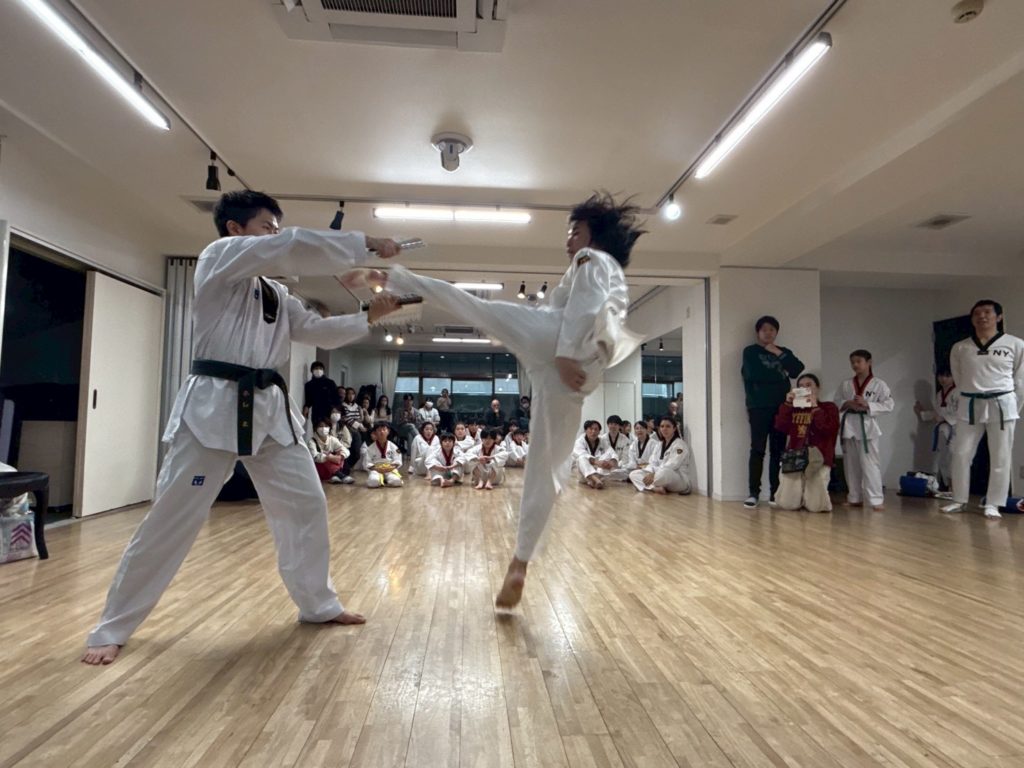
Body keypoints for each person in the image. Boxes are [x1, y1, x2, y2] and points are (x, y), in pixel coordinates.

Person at [81, 190, 401, 665]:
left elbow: (315, 330)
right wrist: (363, 243)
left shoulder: (277, 293)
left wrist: (366, 317)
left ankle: (317, 604)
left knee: (306, 505)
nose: (274, 235)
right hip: (213, 407)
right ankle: (112, 626)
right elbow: (287, 247)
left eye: (276, 228)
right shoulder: (219, 258)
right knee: (172, 517)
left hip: (270, 412)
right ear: (235, 229)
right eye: (266, 226)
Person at [379, 192, 644, 608]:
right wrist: (570, 356)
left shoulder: (592, 259)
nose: (569, 240)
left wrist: (563, 353)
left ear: (595, 236)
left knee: (476, 309)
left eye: (576, 231)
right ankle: (519, 563)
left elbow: (584, 305)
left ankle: (397, 278)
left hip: (557, 347)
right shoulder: (613, 277)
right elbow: (594, 314)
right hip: (578, 376)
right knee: (546, 468)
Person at [943, 300, 1024, 519]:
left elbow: (1020, 380)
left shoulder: (1016, 344)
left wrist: (1012, 406)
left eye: (987, 312)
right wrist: (970, 393)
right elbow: (959, 378)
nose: (982, 316)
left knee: (1001, 456)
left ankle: (994, 503)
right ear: (972, 319)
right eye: (977, 313)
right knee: (961, 453)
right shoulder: (961, 347)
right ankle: (959, 499)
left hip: (1002, 403)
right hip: (970, 403)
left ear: (999, 317)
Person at [741, 315, 804, 508]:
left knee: (778, 450)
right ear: (758, 332)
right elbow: (752, 374)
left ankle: (775, 493)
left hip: (782, 408)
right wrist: (780, 376)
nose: (768, 333)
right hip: (758, 407)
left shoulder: (783, 352)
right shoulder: (750, 352)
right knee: (757, 449)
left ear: (776, 332)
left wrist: (777, 352)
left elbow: (797, 369)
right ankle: (753, 493)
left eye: (772, 330)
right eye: (764, 330)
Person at [836, 349, 894, 511]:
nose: (855, 365)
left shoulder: (879, 384)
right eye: (852, 362)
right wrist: (847, 403)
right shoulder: (846, 384)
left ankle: (876, 499)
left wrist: (868, 404)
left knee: (870, 464)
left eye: (858, 361)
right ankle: (854, 497)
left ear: (869, 362)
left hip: (867, 426)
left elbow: (889, 405)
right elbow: (836, 401)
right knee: (851, 464)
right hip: (849, 425)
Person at [773, 374, 840, 512]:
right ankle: (800, 496)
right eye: (801, 386)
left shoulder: (829, 407)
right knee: (787, 504)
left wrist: (815, 406)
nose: (804, 389)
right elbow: (780, 426)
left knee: (816, 507)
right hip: (795, 457)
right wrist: (787, 404)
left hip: (818, 458)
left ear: (818, 388)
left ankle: (807, 497)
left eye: (808, 385)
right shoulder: (793, 408)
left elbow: (829, 429)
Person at [914, 367, 959, 490]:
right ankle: (948, 486)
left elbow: (962, 413)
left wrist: (944, 418)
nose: (943, 379)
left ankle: (955, 488)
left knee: (953, 457)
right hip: (942, 430)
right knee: (943, 458)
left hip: (956, 430)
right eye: (941, 376)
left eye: (947, 376)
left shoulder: (959, 392)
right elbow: (936, 414)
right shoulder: (939, 395)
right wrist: (922, 413)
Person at [629, 416, 691, 494]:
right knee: (633, 474)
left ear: (674, 428)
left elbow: (672, 465)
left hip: (678, 479)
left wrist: (654, 474)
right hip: (658, 476)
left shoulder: (680, 444)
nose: (664, 429)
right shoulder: (659, 445)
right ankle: (654, 488)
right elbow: (652, 463)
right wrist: (650, 472)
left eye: (668, 426)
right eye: (662, 426)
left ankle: (647, 486)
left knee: (665, 473)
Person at [572, 419, 615, 489]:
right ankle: (595, 479)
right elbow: (579, 453)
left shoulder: (602, 441)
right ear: (586, 430)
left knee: (607, 455)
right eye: (591, 429)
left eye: (596, 429)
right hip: (584, 474)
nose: (593, 431)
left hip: (599, 472)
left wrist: (611, 462)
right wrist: (596, 462)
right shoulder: (579, 441)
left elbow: (611, 452)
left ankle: (592, 481)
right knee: (581, 458)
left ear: (599, 432)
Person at [308, 420, 353, 484]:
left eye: (326, 426)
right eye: (320, 426)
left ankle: (334, 475)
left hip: (333, 467)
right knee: (325, 455)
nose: (323, 428)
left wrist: (340, 456)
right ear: (315, 428)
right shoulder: (312, 442)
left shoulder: (332, 439)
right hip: (320, 469)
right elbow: (315, 457)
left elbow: (345, 450)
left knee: (340, 452)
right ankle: (340, 475)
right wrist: (329, 457)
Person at [364, 421, 404, 488]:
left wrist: (391, 467)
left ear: (388, 431)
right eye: (379, 430)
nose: (382, 432)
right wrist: (376, 468)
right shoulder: (370, 448)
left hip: (390, 469)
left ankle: (386, 479)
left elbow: (398, 459)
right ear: (375, 432)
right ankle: (379, 479)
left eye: (384, 429)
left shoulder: (393, 446)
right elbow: (367, 462)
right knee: (373, 482)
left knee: (397, 482)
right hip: (376, 470)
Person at [303, 361, 340, 426]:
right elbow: (308, 400)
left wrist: (335, 408)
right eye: (316, 368)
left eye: (320, 368)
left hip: (329, 412)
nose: (318, 370)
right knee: (318, 430)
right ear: (312, 371)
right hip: (316, 413)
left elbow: (336, 398)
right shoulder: (309, 385)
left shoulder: (330, 383)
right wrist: (306, 407)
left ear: (323, 371)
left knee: (329, 431)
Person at [602, 415, 631, 481]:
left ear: (619, 426)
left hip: (619, 467)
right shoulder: (602, 439)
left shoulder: (625, 440)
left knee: (626, 471)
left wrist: (616, 465)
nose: (613, 426)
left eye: (615, 424)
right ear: (608, 425)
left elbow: (625, 458)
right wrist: (608, 464)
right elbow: (601, 455)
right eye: (611, 424)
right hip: (606, 466)